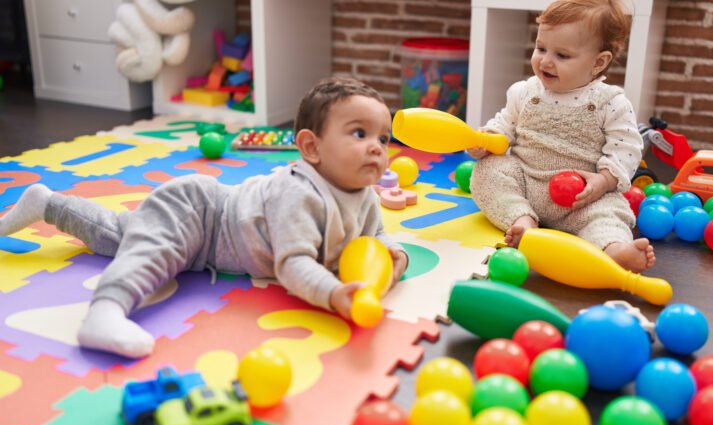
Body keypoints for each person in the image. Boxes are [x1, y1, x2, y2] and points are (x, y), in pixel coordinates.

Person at [0, 77, 409, 359]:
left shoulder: (365, 197)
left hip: (213, 248)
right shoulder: (298, 192)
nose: (376, 147)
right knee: (148, 254)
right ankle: (105, 312)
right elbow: (293, 264)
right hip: (200, 212)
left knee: (115, 235)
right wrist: (334, 294)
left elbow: (377, 239)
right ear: (311, 147)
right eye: (359, 134)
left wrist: (394, 261)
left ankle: (47, 203)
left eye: (383, 138)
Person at [467, 0, 655, 273]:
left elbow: (626, 148)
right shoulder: (524, 92)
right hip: (526, 184)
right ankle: (522, 219)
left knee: (607, 214)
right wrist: (487, 140)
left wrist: (603, 181)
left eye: (562, 55)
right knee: (486, 172)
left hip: (582, 199)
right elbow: (504, 125)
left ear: (598, 62)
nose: (545, 61)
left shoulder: (610, 103)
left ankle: (614, 249)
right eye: (541, 48)